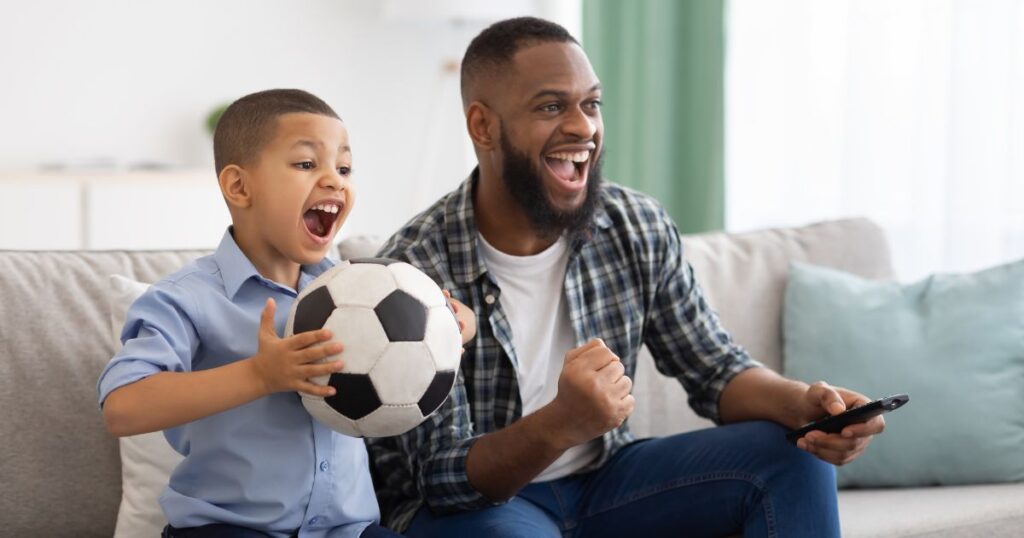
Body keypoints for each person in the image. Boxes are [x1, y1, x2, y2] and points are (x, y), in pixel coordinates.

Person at [366, 17, 884, 537]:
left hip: (609, 480)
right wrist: (559, 423)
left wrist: (805, 405)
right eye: (551, 106)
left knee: (795, 458)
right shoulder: (414, 272)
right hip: (485, 511)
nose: (583, 127)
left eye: (591, 104)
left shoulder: (634, 224)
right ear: (483, 126)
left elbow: (714, 369)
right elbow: (441, 479)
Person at [98, 89, 470, 538]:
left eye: (344, 167)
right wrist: (259, 376)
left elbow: (404, 360)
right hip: (229, 529)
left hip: (348, 530)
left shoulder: (361, 290)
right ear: (239, 186)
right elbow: (123, 408)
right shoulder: (186, 299)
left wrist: (444, 330)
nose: (334, 180)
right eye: (307, 164)